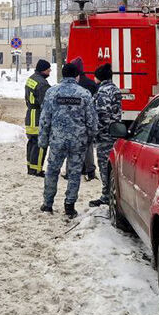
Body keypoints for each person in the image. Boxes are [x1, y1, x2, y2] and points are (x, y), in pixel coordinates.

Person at [39, 63, 97, 218]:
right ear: (77, 76)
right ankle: (69, 206)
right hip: (78, 141)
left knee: (52, 171)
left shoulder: (52, 92)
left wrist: (43, 140)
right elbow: (92, 121)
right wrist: (90, 138)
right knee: (74, 173)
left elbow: (45, 119)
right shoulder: (84, 94)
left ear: (62, 75)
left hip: (57, 140)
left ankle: (48, 204)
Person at [89, 63, 122, 207]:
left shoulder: (103, 92)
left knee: (104, 166)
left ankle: (106, 196)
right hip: (114, 132)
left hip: (105, 136)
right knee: (112, 165)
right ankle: (111, 194)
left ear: (99, 77)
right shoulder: (115, 89)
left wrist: (96, 133)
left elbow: (102, 114)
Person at [71, 57, 99, 181]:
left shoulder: (72, 85)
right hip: (87, 119)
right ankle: (90, 171)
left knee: (73, 146)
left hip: (74, 120)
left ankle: (75, 170)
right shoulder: (91, 84)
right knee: (88, 146)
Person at [25, 59, 52, 176]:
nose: (50, 71)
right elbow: (45, 104)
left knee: (32, 142)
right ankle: (37, 169)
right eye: (48, 69)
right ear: (43, 70)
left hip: (30, 115)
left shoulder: (31, 79)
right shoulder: (42, 84)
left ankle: (30, 167)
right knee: (40, 144)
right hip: (38, 117)